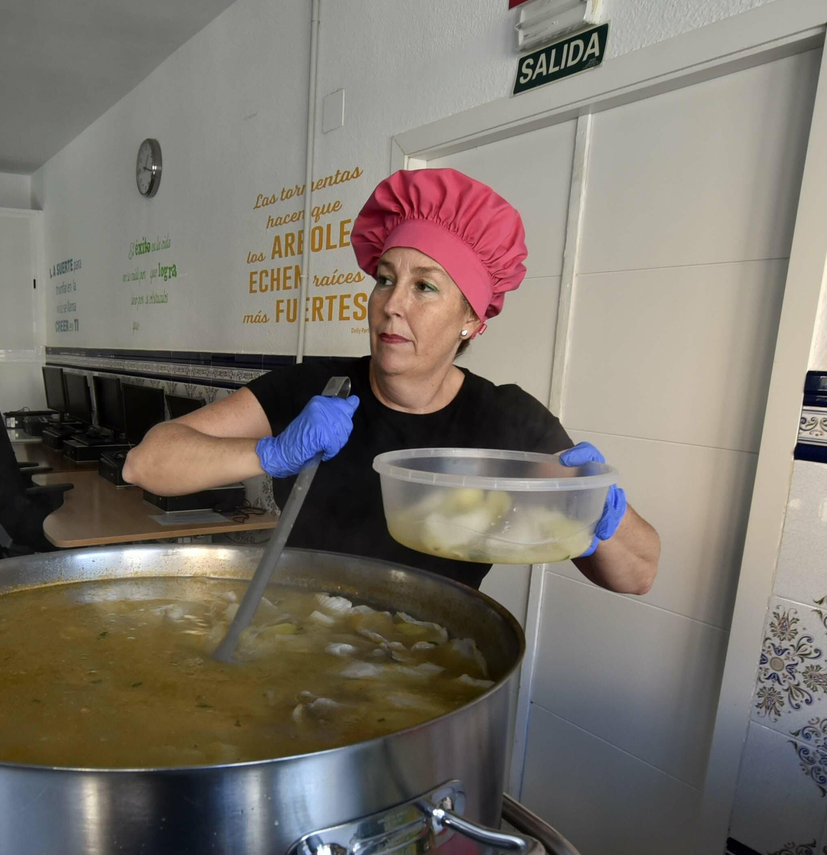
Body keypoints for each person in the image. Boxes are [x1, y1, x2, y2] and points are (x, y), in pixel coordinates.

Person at [124, 167, 659, 594]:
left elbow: (639, 575)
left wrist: (599, 507)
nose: (391, 305)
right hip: (298, 631)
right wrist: (270, 452)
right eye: (385, 279)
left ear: (471, 318)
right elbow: (145, 463)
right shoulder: (317, 390)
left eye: (425, 287)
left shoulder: (506, 421)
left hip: (434, 656)